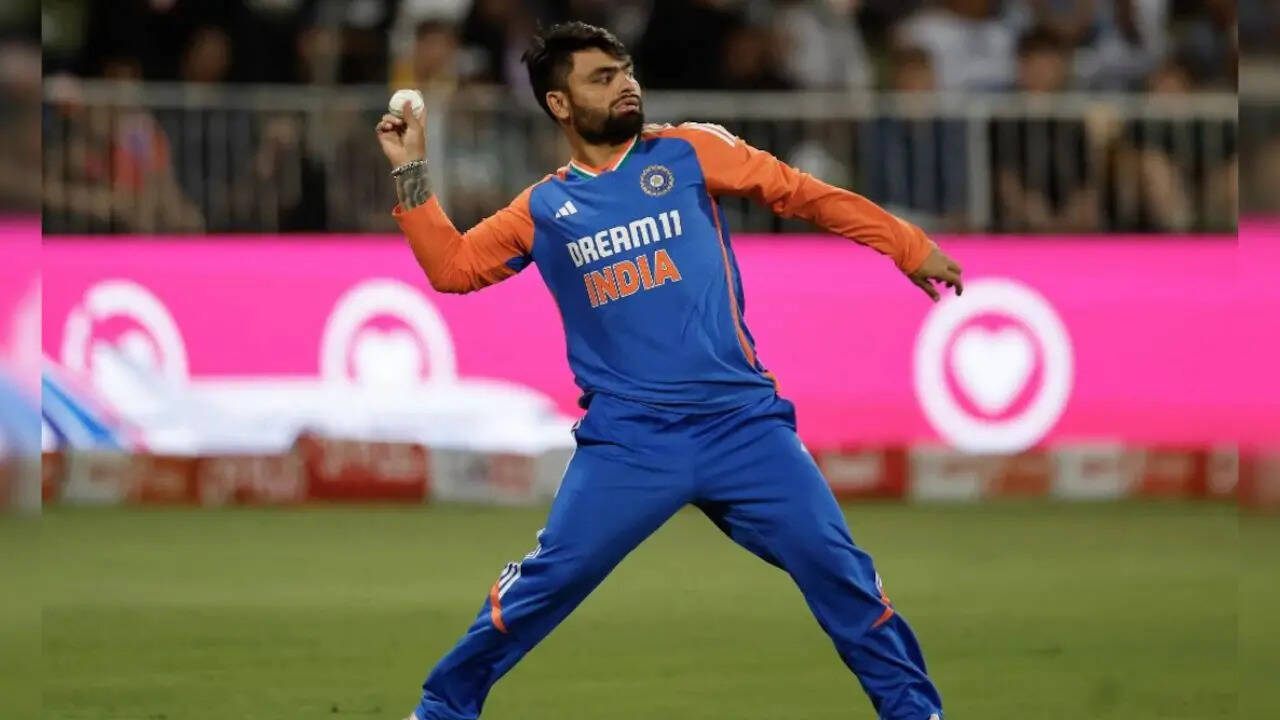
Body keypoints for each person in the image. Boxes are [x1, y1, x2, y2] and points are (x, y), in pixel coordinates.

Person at [376, 22, 961, 720]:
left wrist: (905, 244)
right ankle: (442, 708)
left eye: (626, 71)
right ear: (560, 104)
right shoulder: (545, 209)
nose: (626, 85)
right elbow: (453, 268)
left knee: (843, 577)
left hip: (744, 427)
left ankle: (916, 713)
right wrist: (411, 171)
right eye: (602, 78)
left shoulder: (688, 151)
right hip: (631, 441)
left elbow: (802, 193)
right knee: (548, 585)